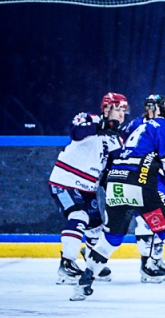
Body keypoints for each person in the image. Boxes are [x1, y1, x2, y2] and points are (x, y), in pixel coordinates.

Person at [71, 95, 165, 303]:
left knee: (110, 238)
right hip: (141, 184)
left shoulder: (140, 127)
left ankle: (84, 282)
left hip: (116, 184)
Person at [49, 92, 127, 285]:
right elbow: (75, 132)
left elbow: (112, 169)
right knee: (79, 216)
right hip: (65, 181)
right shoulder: (89, 118)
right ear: (106, 108)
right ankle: (67, 264)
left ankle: (93, 262)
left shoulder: (117, 140)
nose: (121, 114)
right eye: (117, 109)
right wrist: (102, 126)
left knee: (96, 228)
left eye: (124, 110)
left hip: (87, 187)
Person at [120, 94, 165, 283]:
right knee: (145, 221)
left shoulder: (161, 126)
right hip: (137, 179)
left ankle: (156, 260)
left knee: (159, 220)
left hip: (154, 179)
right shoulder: (138, 125)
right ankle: (146, 265)